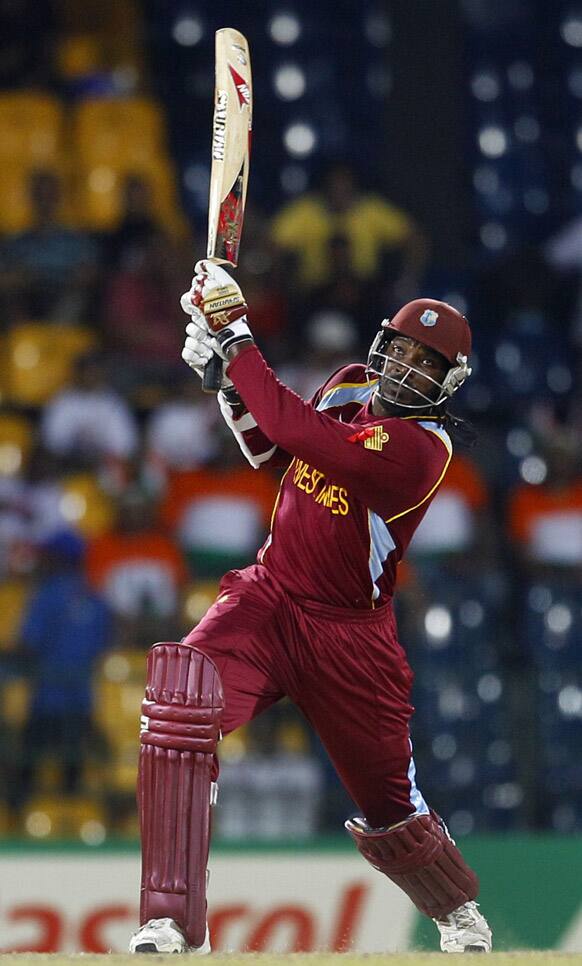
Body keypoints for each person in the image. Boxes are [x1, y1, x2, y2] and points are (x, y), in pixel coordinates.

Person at [128, 262, 492, 955]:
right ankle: (170, 918)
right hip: (266, 599)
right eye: (402, 348)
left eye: (427, 362)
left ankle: (455, 909)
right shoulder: (350, 381)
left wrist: (235, 342)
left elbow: (307, 439)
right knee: (179, 713)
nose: (406, 367)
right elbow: (269, 447)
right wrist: (223, 384)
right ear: (382, 343)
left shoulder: (422, 450)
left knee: (390, 806)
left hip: (351, 639)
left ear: (449, 381)